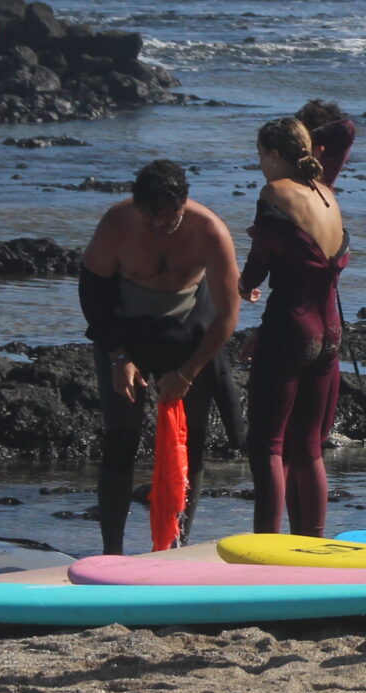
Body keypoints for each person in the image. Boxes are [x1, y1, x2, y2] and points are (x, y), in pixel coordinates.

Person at [78, 160, 245, 556]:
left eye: (168, 218)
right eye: (151, 218)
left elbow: (227, 316)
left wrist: (187, 374)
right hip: (125, 331)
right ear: (138, 207)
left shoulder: (209, 231)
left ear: (184, 204)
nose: (159, 226)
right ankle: (112, 552)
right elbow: (91, 296)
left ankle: (178, 546)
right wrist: (119, 357)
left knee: (192, 440)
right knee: (121, 435)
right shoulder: (117, 223)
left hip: (188, 334)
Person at [239, 116, 350, 537]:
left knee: (267, 445)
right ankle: (312, 544)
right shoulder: (326, 193)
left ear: (272, 153)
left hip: (291, 327)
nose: (260, 165)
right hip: (331, 332)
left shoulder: (275, 192)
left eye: (261, 155)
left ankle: (265, 552)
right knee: (308, 447)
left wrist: (243, 286)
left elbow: (260, 262)